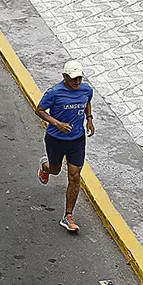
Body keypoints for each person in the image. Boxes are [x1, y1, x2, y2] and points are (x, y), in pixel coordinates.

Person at [34, 60, 95, 232]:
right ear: (64, 77)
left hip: (77, 140)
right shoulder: (54, 93)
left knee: (75, 176)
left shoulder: (86, 90)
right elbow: (39, 110)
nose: (76, 83)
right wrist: (57, 123)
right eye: (73, 79)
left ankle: (68, 216)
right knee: (55, 169)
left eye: (79, 79)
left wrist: (89, 119)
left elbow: (87, 101)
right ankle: (45, 167)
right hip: (55, 139)